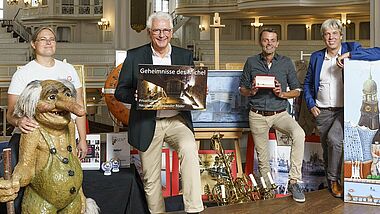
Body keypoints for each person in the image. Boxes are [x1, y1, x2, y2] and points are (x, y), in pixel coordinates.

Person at [115, 12, 203, 214]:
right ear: (149, 32)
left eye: (165, 30)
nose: (161, 34)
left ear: (172, 32)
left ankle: (195, 209)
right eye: (157, 30)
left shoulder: (184, 55)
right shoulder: (135, 55)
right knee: (151, 177)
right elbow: (121, 91)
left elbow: (192, 87)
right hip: (148, 121)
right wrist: (136, 96)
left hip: (176, 120)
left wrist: (197, 91)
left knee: (190, 150)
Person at [1, 26, 88, 213]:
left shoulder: (68, 69)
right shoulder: (23, 73)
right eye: (43, 39)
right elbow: (11, 113)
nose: (49, 42)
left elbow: (79, 108)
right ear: (33, 44)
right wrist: (19, 122)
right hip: (31, 132)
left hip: (64, 133)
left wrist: (83, 138)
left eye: (52, 39)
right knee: (19, 188)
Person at [303, 18, 380, 198]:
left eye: (334, 33)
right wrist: (311, 104)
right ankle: (334, 179)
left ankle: (333, 180)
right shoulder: (316, 57)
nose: (331, 37)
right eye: (327, 34)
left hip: (343, 110)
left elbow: (378, 52)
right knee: (328, 147)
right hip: (321, 111)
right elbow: (307, 84)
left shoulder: (351, 48)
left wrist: (349, 56)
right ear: (323, 37)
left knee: (335, 140)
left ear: (341, 35)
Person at [239, 28, 306, 203]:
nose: (269, 43)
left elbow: (297, 91)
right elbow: (242, 89)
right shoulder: (251, 62)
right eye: (266, 40)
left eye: (272, 40)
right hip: (257, 115)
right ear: (260, 42)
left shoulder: (285, 63)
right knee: (263, 158)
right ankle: (269, 193)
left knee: (299, 134)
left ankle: (294, 181)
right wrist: (251, 91)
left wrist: (282, 93)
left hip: (280, 113)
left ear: (277, 43)